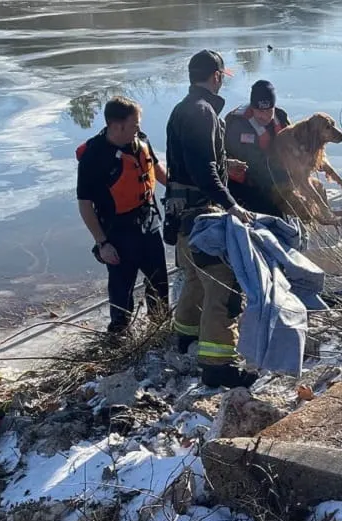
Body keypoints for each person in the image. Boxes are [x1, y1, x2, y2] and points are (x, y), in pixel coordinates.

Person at [163, 50, 258, 389]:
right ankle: (218, 366)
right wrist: (232, 206)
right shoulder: (203, 112)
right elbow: (203, 173)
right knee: (224, 285)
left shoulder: (183, 109)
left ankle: (186, 338)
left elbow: (189, 162)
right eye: (222, 77)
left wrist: (224, 165)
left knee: (194, 279)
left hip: (182, 217)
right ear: (216, 76)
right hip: (202, 216)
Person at [76, 96, 171, 337]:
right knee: (121, 293)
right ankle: (119, 337)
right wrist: (102, 243)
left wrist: (177, 188)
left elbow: (155, 168)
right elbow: (85, 205)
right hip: (118, 234)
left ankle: (159, 329)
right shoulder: (94, 156)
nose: (138, 128)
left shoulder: (140, 141)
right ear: (117, 126)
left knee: (159, 284)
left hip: (149, 223)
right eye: (134, 124)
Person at [224, 80, 291, 217]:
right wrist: (285, 180)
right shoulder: (238, 125)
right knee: (275, 216)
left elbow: (293, 146)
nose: (264, 116)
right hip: (244, 185)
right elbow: (254, 166)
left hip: (272, 178)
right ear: (252, 107)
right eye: (260, 111)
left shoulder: (281, 117)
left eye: (268, 111)